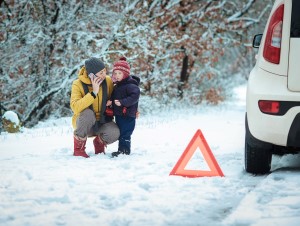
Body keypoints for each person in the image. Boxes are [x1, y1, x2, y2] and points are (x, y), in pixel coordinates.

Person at [70, 57, 120, 158]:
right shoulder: (77, 84)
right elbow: (75, 107)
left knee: (115, 132)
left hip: (102, 122)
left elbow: (117, 97)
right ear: (91, 74)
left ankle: (99, 143)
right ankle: (78, 149)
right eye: (101, 73)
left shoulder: (108, 81)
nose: (104, 75)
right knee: (88, 113)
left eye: (104, 71)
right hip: (84, 124)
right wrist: (94, 93)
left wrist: (131, 109)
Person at [108, 57, 140, 157]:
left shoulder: (131, 85)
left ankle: (124, 151)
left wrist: (122, 102)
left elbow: (134, 96)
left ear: (125, 74)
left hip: (128, 114)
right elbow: (116, 98)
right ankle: (121, 150)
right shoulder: (118, 85)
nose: (117, 76)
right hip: (120, 114)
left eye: (119, 73)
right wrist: (111, 103)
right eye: (115, 73)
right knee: (121, 132)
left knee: (126, 133)